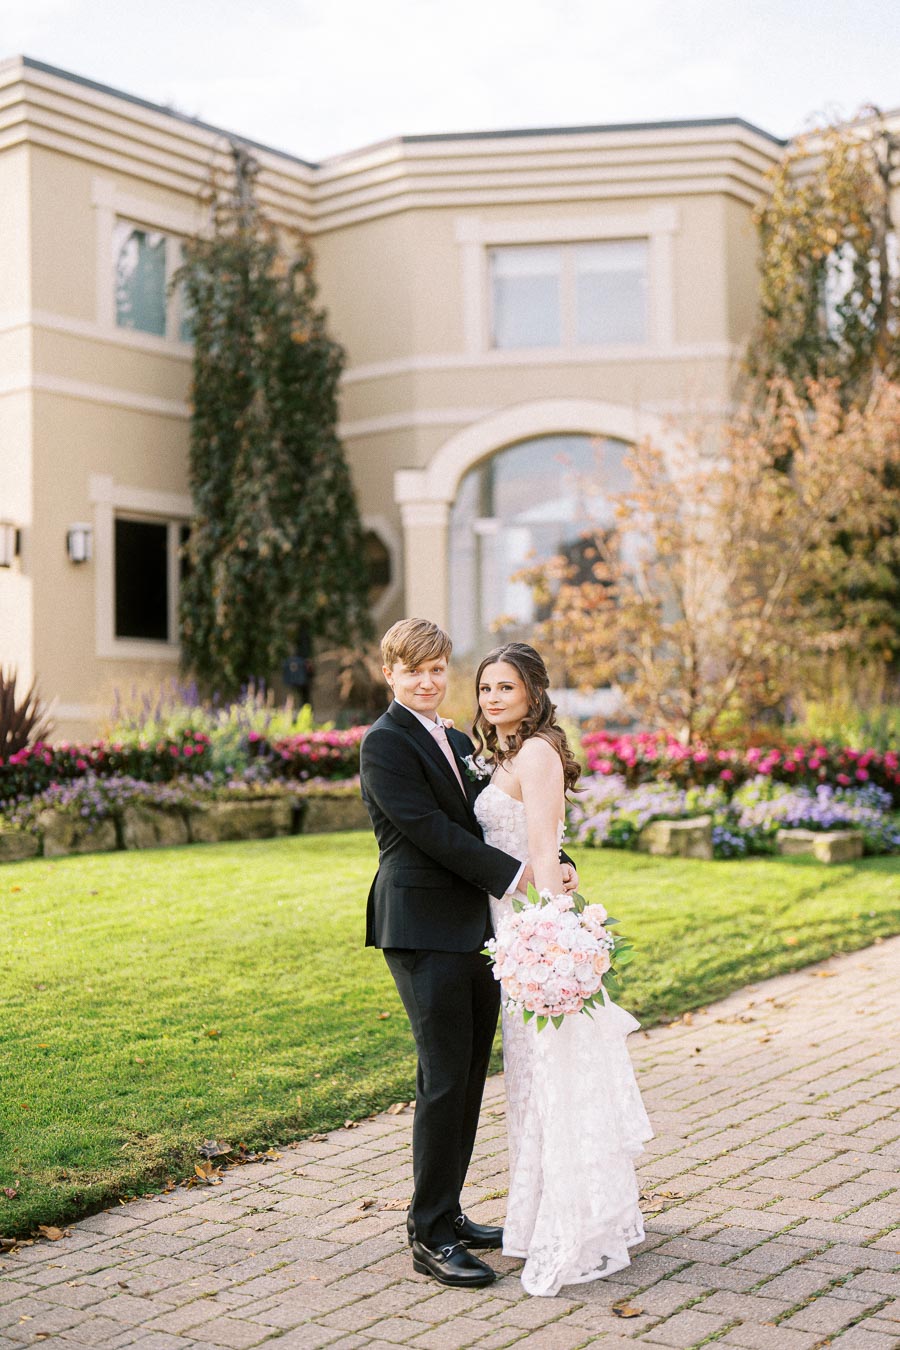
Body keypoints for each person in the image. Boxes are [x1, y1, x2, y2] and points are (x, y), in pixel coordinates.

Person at [360, 619, 579, 1290]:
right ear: (390, 673)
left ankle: (450, 1213)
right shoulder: (385, 744)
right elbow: (429, 834)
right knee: (444, 1078)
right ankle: (428, 1234)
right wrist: (520, 881)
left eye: (437, 668)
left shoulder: (457, 738)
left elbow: (493, 821)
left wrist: (552, 863)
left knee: (467, 1077)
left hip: (481, 930)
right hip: (423, 927)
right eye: (413, 669)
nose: (427, 680)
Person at [473, 641, 653, 1297]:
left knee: (551, 1078)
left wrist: (555, 934)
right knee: (530, 1080)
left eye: (506, 687)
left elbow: (545, 851)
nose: (493, 698)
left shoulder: (539, 751)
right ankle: (541, 1213)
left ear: (533, 693)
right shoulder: (508, 752)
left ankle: (573, 1224)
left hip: (530, 932)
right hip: (509, 925)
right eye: (486, 687)